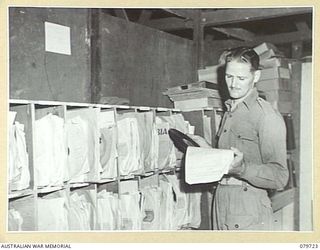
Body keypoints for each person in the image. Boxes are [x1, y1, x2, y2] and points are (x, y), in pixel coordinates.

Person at [190, 46, 289, 230]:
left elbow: (280, 177)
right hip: (222, 202)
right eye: (229, 76)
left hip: (248, 208)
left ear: (256, 77)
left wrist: (243, 169)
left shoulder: (266, 116)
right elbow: (230, 160)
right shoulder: (230, 110)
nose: (233, 84)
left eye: (241, 78)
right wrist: (207, 152)